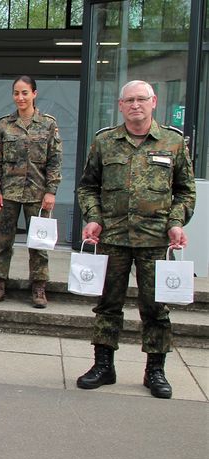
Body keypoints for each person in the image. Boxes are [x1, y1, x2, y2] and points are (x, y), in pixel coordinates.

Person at [76, 80, 196, 399]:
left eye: (141, 99)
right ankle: (103, 365)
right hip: (112, 237)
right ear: (120, 105)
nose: (135, 105)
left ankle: (155, 370)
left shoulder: (172, 142)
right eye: (129, 100)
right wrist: (93, 218)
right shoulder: (105, 142)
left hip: (155, 240)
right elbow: (87, 187)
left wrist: (176, 223)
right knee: (107, 304)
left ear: (153, 101)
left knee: (156, 308)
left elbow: (185, 191)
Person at [0, 76, 62, 308]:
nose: (20, 97)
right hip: (8, 194)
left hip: (37, 195)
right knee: (2, 242)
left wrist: (51, 191)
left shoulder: (48, 124)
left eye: (25, 93)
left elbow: (55, 161)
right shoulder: (4, 125)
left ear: (34, 94)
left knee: (39, 244)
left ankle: (38, 288)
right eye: (16, 93)